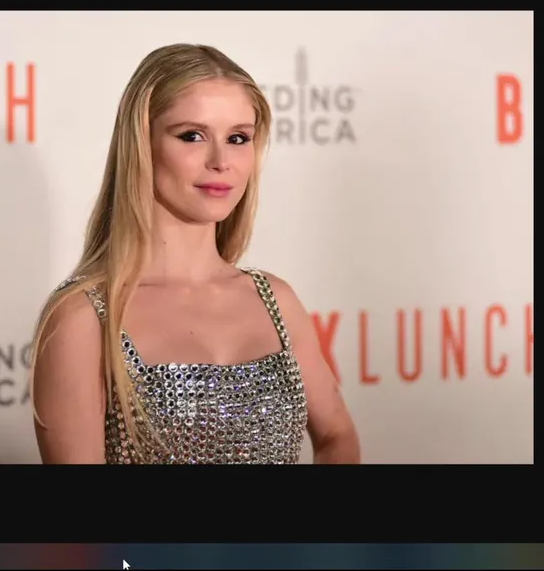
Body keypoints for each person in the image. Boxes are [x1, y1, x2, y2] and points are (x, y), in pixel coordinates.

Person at [30, 43, 360, 465]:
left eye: (238, 138)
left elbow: (337, 437)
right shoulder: (85, 319)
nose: (221, 161)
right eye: (192, 136)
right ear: (142, 144)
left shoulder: (276, 299)